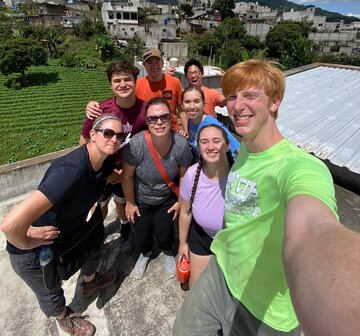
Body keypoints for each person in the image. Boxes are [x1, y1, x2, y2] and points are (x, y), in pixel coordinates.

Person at [173, 59, 360, 336]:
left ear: (275, 102)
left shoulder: (300, 166)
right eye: (233, 96)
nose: (237, 105)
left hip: (268, 310)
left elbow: (313, 228)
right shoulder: (244, 151)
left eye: (250, 95)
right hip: (223, 272)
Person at [1, 114, 123, 336]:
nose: (114, 138)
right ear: (93, 136)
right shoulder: (71, 170)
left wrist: (126, 178)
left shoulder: (106, 162)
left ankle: (90, 282)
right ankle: (63, 317)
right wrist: (27, 239)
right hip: (34, 250)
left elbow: (110, 177)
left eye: (119, 134)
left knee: (93, 249)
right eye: (108, 133)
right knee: (50, 289)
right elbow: (10, 224)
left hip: (68, 234)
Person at [121, 97, 193, 280]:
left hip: (166, 199)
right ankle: (145, 253)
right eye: (153, 118)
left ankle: (166, 251)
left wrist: (180, 202)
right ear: (146, 121)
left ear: (171, 118)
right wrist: (129, 202)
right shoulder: (137, 144)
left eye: (164, 117)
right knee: (142, 237)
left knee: (165, 236)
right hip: (142, 198)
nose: (159, 122)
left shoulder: (181, 145)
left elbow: (184, 176)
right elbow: (127, 175)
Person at [80, 61, 147, 253]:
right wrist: (99, 168)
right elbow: (85, 138)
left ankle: (124, 224)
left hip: (124, 171)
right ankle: (96, 231)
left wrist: (124, 172)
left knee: (120, 202)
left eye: (128, 79)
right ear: (110, 85)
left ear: (136, 81)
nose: (123, 84)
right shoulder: (101, 110)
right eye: (117, 80)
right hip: (100, 168)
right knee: (99, 203)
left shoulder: (144, 110)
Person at [178, 124, 233, 288]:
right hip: (202, 237)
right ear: (198, 146)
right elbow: (185, 211)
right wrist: (182, 243)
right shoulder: (192, 174)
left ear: (227, 146)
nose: (210, 147)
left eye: (216, 141)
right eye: (204, 142)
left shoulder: (240, 175)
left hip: (233, 241)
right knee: (197, 286)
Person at [86, 48, 187, 133]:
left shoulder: (175, 82)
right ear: (144, 65)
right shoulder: (136, 84)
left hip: (172, 131)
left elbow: (182, 110)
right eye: (149, 62)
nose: (154, 66)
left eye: (157, 62)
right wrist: (92, 105)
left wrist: (186, 131)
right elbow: (120, 99)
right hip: (147, 133)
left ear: (162, 62)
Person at [181, 86, 239, 162]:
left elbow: (237, 149)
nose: (192, 106)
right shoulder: (190, 121)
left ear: (203, 103)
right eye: (187, 102)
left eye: (196, 101)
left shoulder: (213, 125)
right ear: (182, 105)